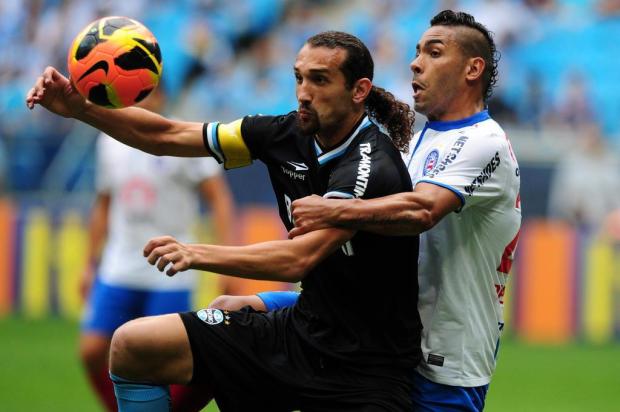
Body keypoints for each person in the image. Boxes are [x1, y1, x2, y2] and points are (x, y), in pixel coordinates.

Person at [27, 31, 421, 411]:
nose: (304, 92)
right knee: (131, 344)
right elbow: (167, 135)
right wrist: (79, 107)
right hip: (303, 330)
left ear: (359, 90)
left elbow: (297, 260)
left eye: (320, 80)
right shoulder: (283, 133)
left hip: (366, 366)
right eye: (299, 78)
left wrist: (195, 253)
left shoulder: (372, 164)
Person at [212, 10, 522, 412]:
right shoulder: (416, 143)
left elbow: (422, 211)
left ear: (472, 68)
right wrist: (278, 302)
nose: (415, 62)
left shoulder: (486, 141)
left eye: (434, 52)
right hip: (379, 338)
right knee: (222, 326)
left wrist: (335, 211)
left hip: (446, 361)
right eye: (416, 52)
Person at [79, 86, 234, 412]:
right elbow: (104, 203)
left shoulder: (183, 138)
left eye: (143, 95)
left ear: (161, 96)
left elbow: (218, 198)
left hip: (169, 270)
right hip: (119, 265)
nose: (136, 104)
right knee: (92, 351)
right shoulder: (109, 140)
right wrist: (89, 262)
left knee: (165, 363)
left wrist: (225, 260)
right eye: (130, 97)